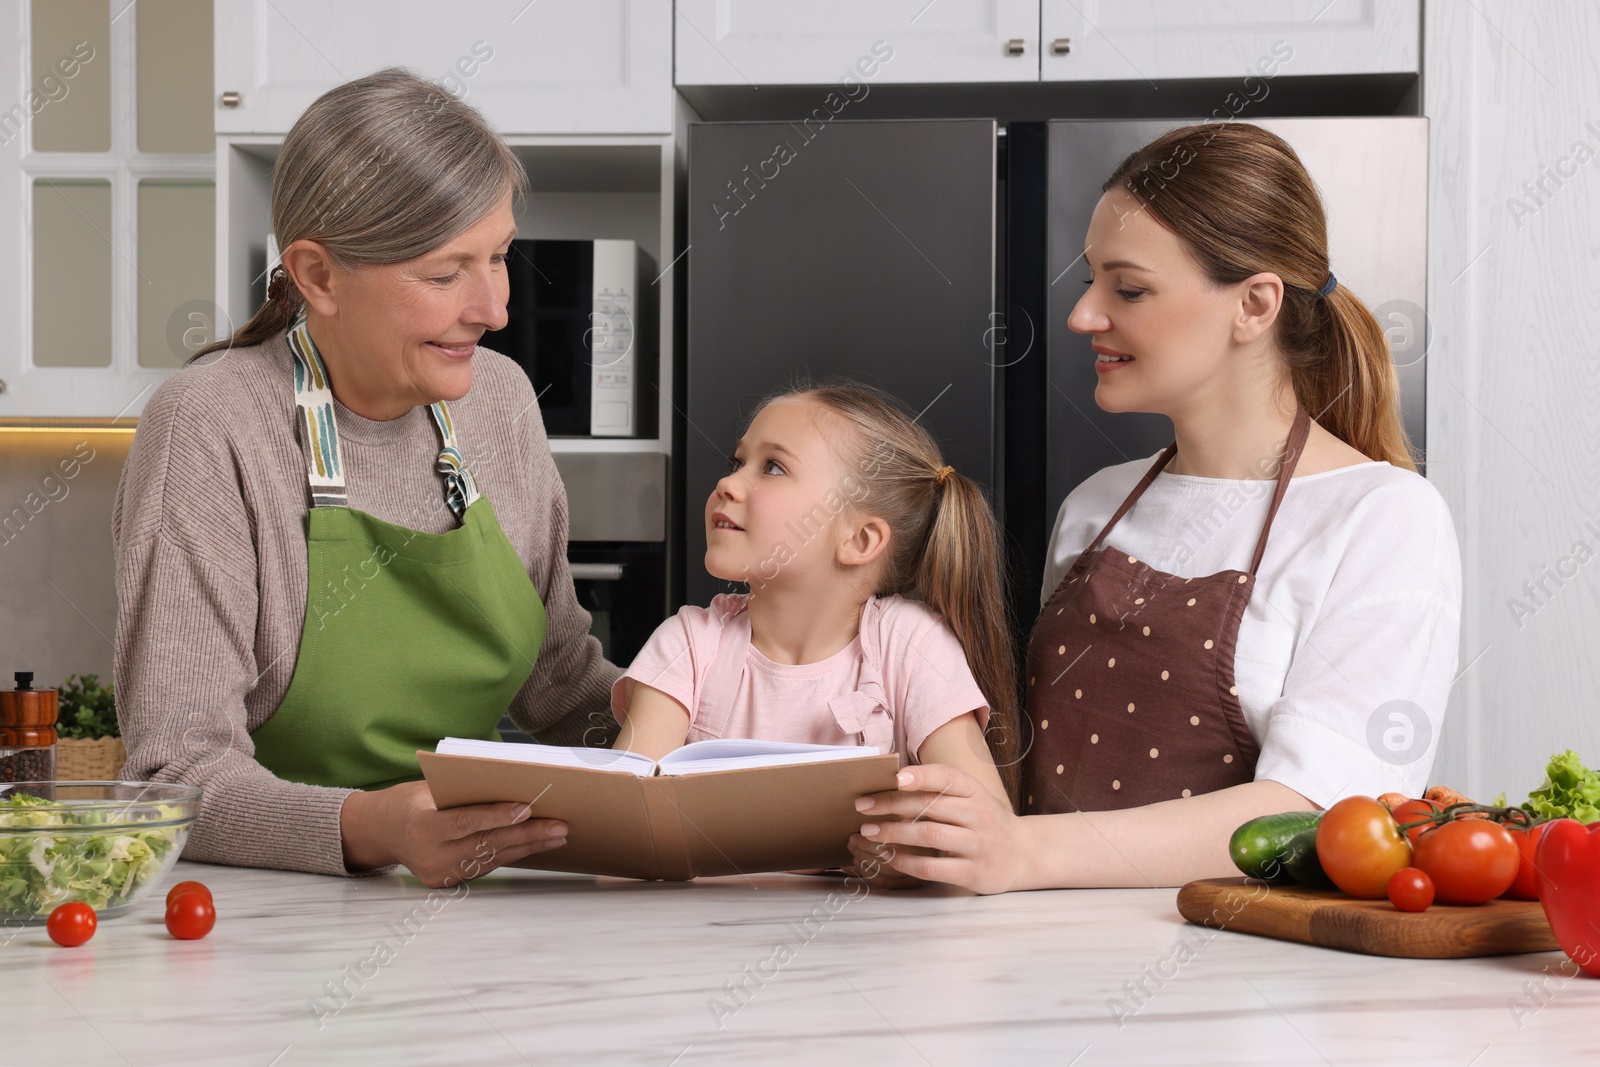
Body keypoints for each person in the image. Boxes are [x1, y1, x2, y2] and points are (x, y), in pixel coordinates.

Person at [849, 121, 1463, 893]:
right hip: (1037, 958)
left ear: (1255, 305)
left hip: (1234, 986)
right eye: (1089, 284)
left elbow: (1321, 813)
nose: (1083, 317)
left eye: (1128, 288)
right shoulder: (1095, 505)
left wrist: (1024, 853)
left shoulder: (1383, 518)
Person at [113, 69, 618, 887]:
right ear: (317, 275)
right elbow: (172, 778)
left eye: (499, 256)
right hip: (265, 921)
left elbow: (561, 686)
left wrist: (727, 725)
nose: (494, 308)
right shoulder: (211, 425)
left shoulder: (500, 400)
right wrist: (373, 825)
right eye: (447, 273)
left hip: (461, 913)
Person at [613, 383, 1022, 830]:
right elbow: (623, 816)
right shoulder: (688, 644)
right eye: (738, 461)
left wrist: (914, 853)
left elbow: (988, 828)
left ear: (859, 540)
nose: (727, 483)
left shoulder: (911, 645)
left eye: (772, 467)